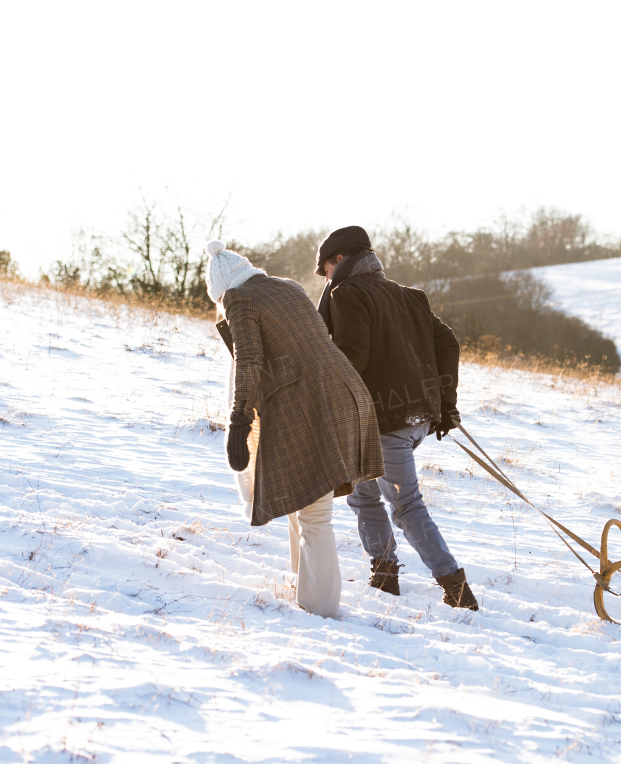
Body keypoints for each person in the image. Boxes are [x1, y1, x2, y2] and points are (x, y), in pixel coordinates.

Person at [205, 240, 384, 619]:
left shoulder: (238, 299)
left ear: (222, 291)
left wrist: (239, 420)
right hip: (346, 392)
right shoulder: (288, 286)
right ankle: (300, 579)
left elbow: (250, 358)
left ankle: (320, 611)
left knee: (314, 516)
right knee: (296, 495)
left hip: (311, 405)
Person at [315, 226, 479, 611]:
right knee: (362, 495)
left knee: (405, 507)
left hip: (383, 422)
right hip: (414, 416)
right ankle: (385, 575)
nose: (324, 278)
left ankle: (457, 590)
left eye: (324, 268)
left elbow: (353, 355)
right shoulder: (409, 295)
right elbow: (448, 341)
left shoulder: (347, 293)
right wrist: (445, 402)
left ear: (340, 260)